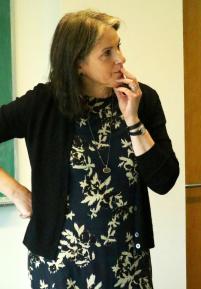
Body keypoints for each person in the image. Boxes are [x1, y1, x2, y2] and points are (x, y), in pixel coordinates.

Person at [0, 9, 179, 289]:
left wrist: (132, 119)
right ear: (78, 63)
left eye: (118, 46)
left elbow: (164, 180)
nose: (120, 58)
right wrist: (14, 190)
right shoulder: (44, 103)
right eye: (106, 52)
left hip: (127, 262)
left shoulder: (142, 99)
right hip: (58, 264)